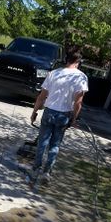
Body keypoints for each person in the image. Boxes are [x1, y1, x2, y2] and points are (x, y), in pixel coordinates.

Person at [29, 48, 89, 182]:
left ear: (66, 59)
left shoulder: (53, 74)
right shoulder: (81, 77)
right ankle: (46, 173)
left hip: (49, 112)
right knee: (55, 145)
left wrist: (34, 112)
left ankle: (35, 170)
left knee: (42, 143)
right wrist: (73, 119)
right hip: (64, 115)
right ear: (79, 61)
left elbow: (41, 97)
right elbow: (78, 103)